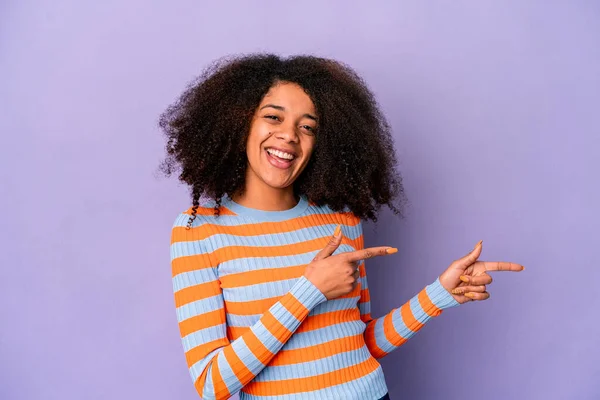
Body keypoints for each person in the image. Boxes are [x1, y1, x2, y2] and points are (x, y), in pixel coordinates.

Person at [160, 54, 524, 400]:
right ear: (240, 122)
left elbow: (359, 340)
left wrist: (438, 295)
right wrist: (309, 290)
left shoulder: (340, 222)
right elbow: (212, 383)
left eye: (308, 127)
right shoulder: (199, 231)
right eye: (273, 117)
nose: (290, 135)